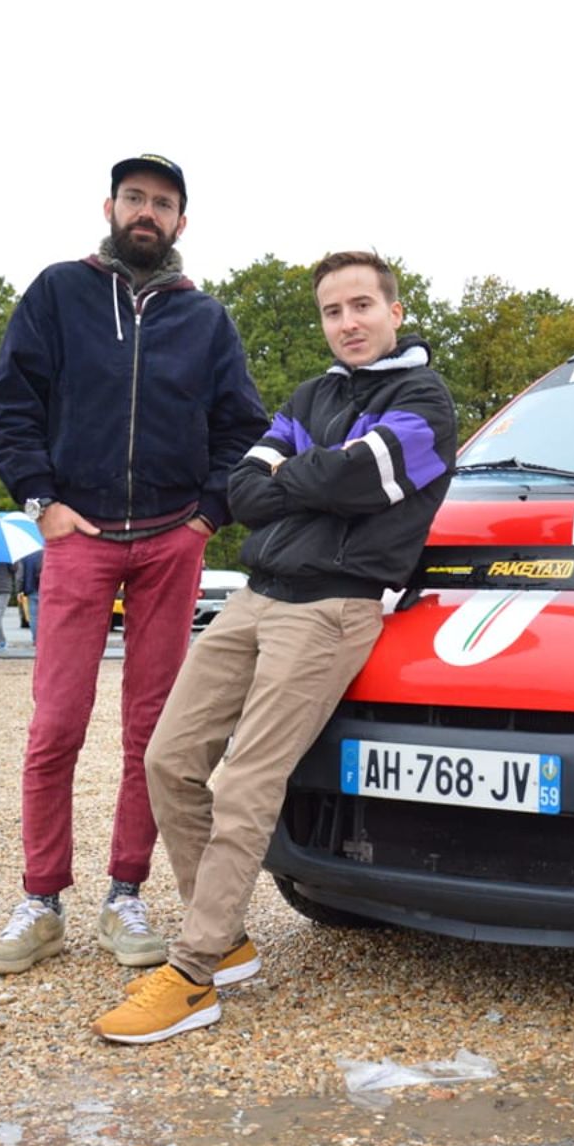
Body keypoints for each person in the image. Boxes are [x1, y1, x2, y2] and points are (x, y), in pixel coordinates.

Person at [92, 250, 457, 1044]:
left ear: (395, 311)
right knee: (168, 758)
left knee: (249, 779)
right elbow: (244, 490)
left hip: (334, 608)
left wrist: (298, 477)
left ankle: (193, 972)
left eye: (362, 306)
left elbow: (354, 481)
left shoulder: (426, 402)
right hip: (258, 597)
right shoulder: (310, 395)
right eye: (333, 311)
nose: (348, 323)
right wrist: (311, 478)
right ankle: (225, 937)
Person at [0, 153, 267, 976]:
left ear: (182, 222)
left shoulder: (205, 318)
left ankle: (125, 895)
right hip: (81, 536)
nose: (147, 212)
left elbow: (241, 426)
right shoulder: (58, 293)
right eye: (134, 197)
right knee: (56, 724)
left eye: (163, 203)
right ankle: (40, 899)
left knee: (155, 730)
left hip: (172, 538)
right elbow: (10, 404)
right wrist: (43, 501)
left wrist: (210, 514)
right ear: (110, 206)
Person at [16, 549, 42, 634]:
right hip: (45, 589)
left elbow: (20, 576)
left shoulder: (25, 555)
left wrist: (19, 590)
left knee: (33, 616)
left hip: (31, 589)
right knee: (46, 616)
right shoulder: (47, 553)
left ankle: (35, 639)